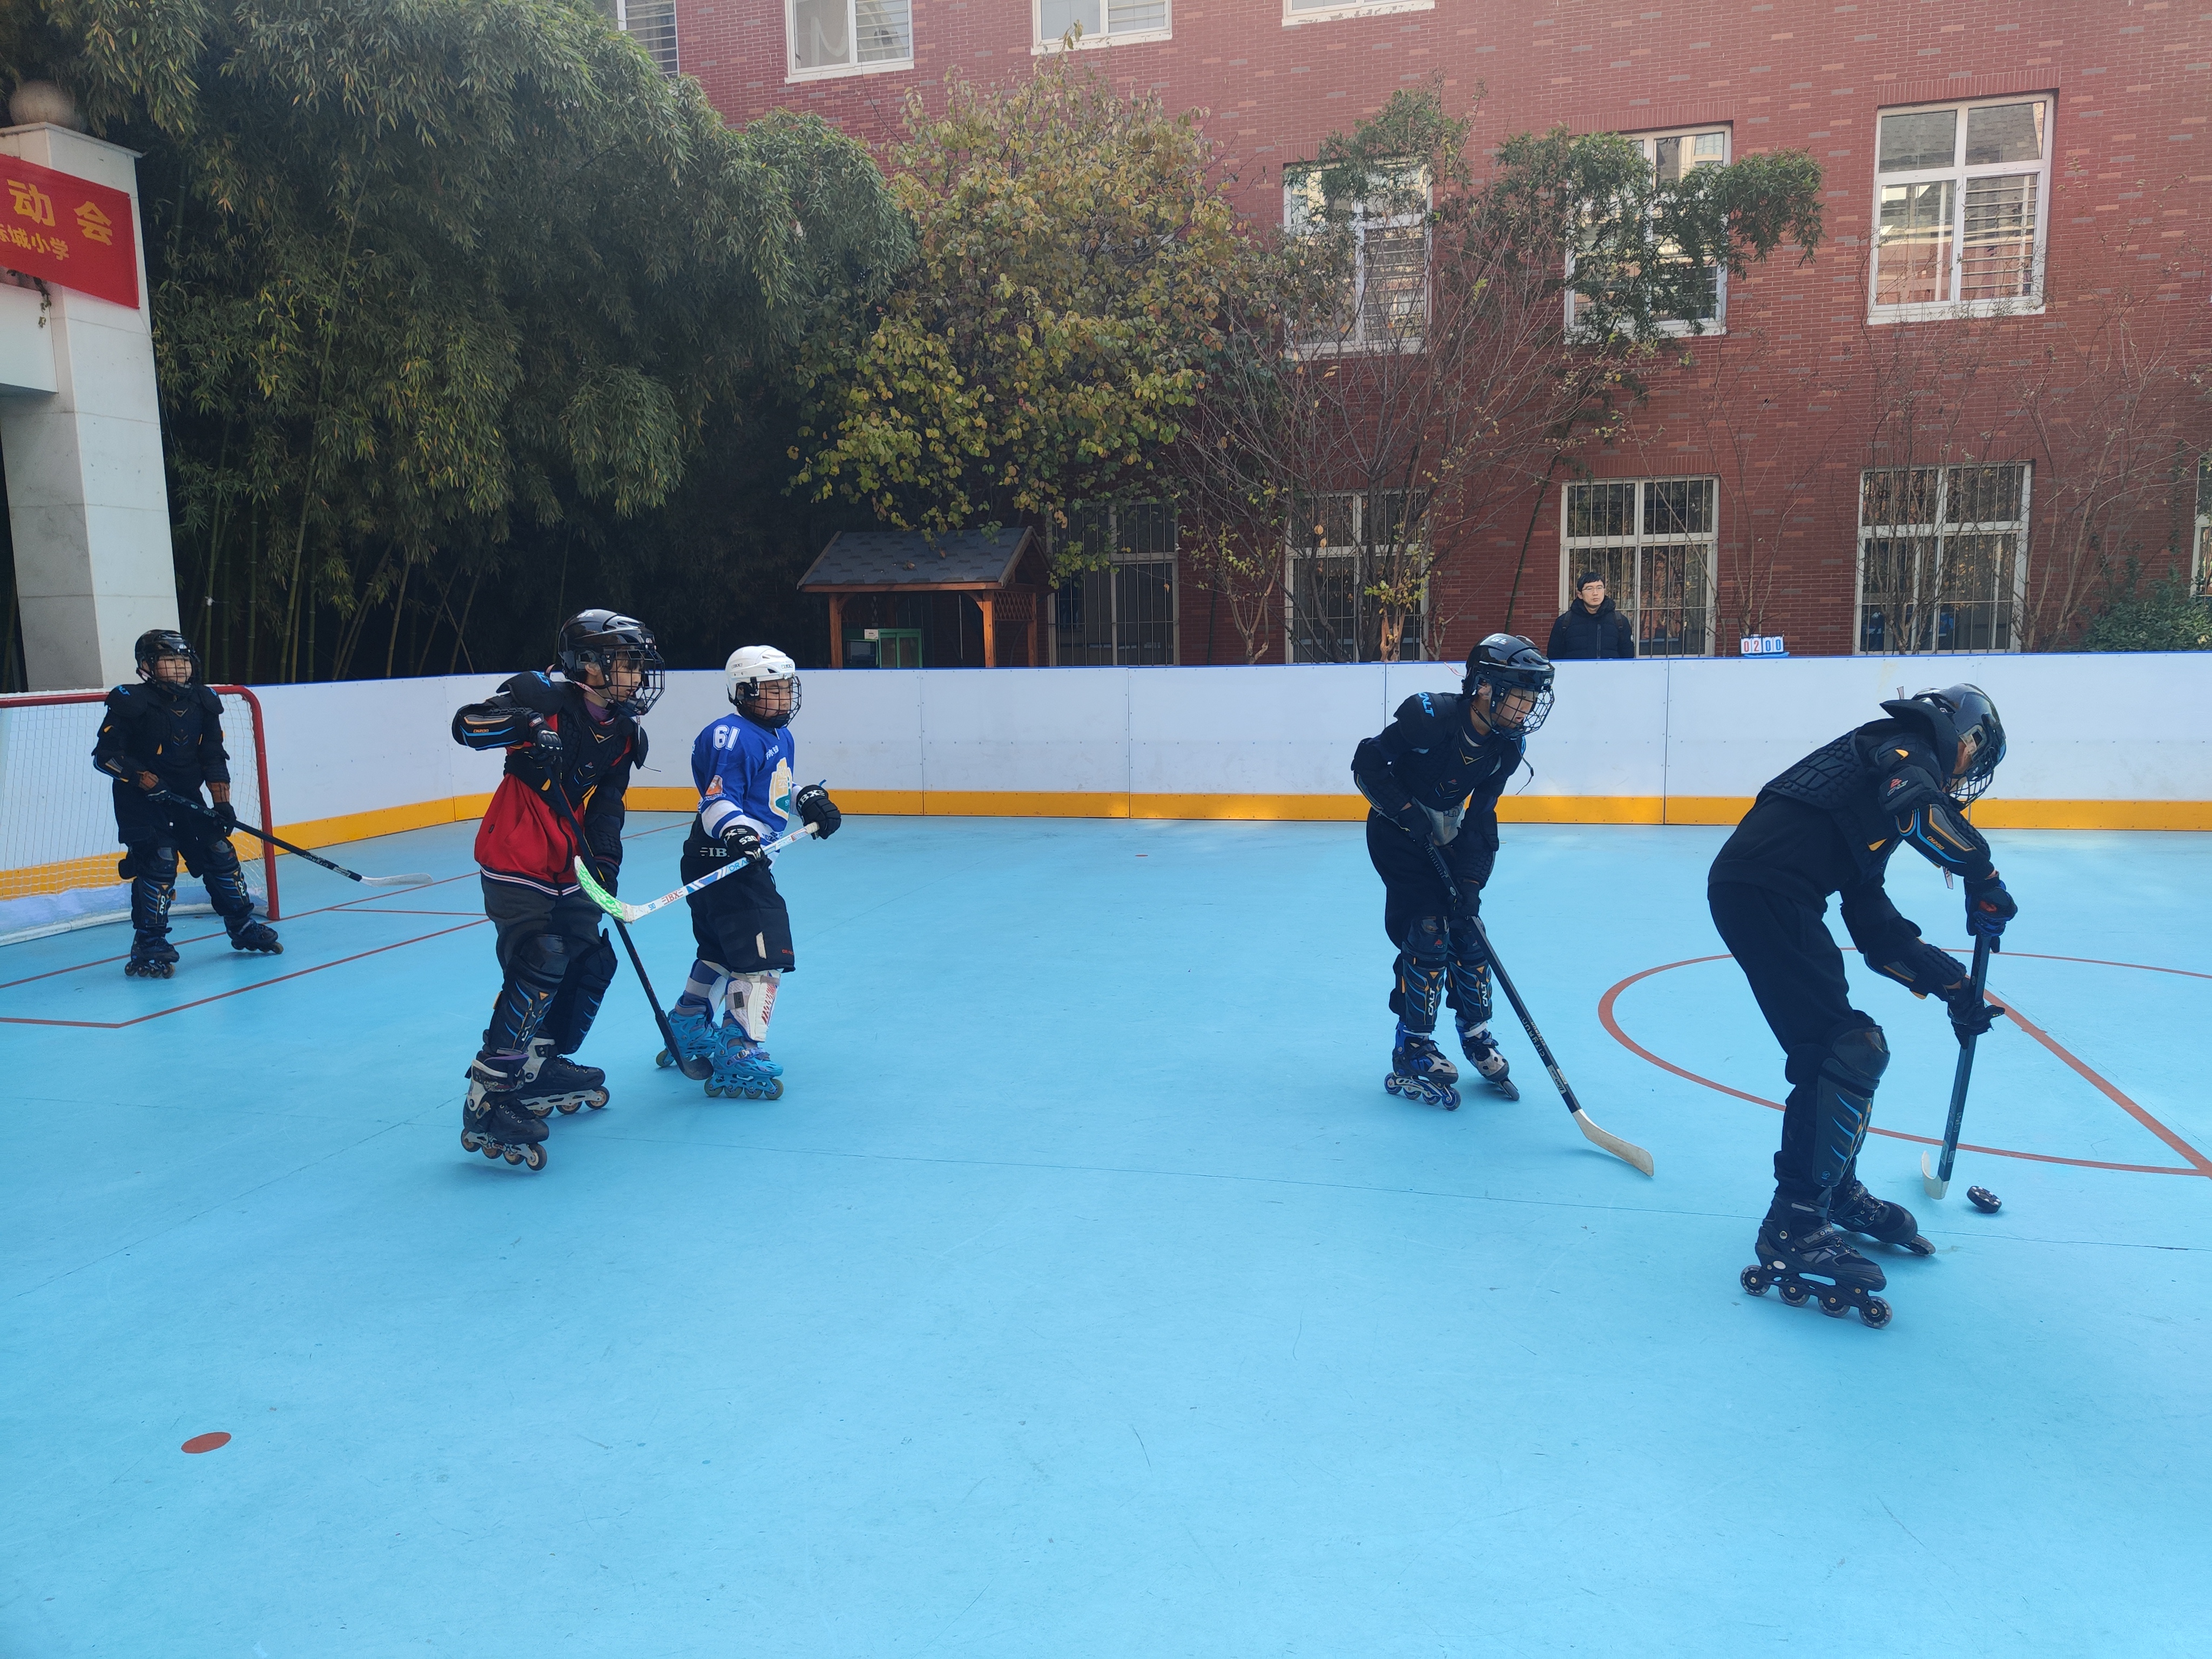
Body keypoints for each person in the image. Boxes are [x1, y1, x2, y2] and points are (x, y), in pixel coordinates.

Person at [1709, 684, 2014, 1326]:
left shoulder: (1870, 785)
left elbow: (1875, 929)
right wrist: (1981, 874)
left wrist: (1954, 986)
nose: (1964, 775)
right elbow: (1920, 812)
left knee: (1850, 1046)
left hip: (1772, 896)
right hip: (1762, 893)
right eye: (1970, 759)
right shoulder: (1898, 754)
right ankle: (1794, 1219)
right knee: (1841, 1048)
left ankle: (1833, 1191)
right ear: (1961, 739)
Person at [448, 610, 663, 1170]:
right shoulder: (542, 699)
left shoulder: (622, 732)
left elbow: (608, 808)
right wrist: (524, 726)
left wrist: (606, 868)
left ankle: (540, 1062)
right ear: (588, 665)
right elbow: (467, 726)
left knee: (590, 960)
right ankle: (489, 1095)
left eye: (639, 666)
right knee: (538, 959)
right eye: (625, 664)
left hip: (571, 860)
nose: (636, 677)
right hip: (516, 851)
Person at [1351, 634, 1557, 1110]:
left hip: (1445, 831)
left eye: (1533, 695)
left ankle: (1476, 1031)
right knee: (1427, 929)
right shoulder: (1430, 718)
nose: (1528, 705)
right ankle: (1413, 1044)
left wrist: (1471, 882)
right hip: (1395, 829)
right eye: (1521, 692)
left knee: (1469, 928)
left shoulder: (1507, 745)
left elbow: (1482, 816)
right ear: (1485, 689)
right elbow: (1366, 763)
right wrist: (1406, 810)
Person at [659, 645, 842, 1100]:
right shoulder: (729, 735)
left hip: (730, 860)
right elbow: (717, 800)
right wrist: (739, 834)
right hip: (726, 860)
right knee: (764, 958)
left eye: (787, 688)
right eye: (773, 689)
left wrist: (806, 799)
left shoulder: (779, 735)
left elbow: (774, 783)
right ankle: (738, 1047)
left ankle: (687, 1020)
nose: (783, 698)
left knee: (723, 950)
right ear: (743, 692)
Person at [93, 628, 282, 978]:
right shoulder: (130, 701)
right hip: (141, 802)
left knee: (220, 851)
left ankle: (241, 925)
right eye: (169, 660)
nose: (179, 668)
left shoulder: (204, 700)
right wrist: (146, 780)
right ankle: (149, 943)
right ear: (148, 666)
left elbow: (213, 755)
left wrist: (222, 803)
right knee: (160, 860)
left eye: (184, 661)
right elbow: (106, 757)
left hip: (188, 799)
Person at [1546, 573, 1636, 660]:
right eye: (1589, 589)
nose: (1595, 593)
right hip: (1575, 675)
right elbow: (1554, 659)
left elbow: (1628, 658)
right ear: (1580, 594)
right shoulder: (1564, 622)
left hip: (1611, 674)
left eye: (1599, 588)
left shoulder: (1620, 621)